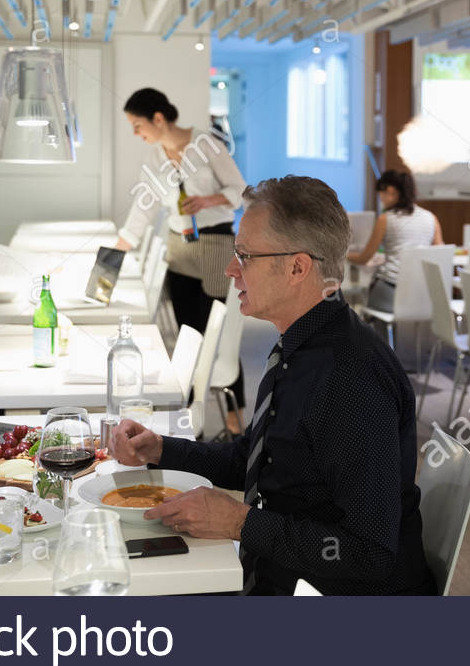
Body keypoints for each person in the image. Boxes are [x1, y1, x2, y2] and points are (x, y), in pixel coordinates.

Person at [110, 176, 436, 595]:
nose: (230, 270)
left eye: (244, 257)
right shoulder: (300, 343)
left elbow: (369, 553)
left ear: (298, 267)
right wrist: (161, 449)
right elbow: (258, 458)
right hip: (281, 571)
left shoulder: (352, 379)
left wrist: (239, 522)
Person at [113, 87, 248, 433]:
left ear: (158, 118)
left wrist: (208, 200)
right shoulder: (156, 158)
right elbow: (142, 210)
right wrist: (115, 254)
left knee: (215, 333)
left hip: (216, 243)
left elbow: (241, 191)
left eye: (137, 124)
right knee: (189, 334)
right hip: (179, 248)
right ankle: (193, 422)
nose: (136, 133)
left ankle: (236, 421)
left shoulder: (207, 145)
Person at [346, 169, 443, 313]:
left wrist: (343, 255)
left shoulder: (386, 219)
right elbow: (440, 255)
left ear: (390, 191)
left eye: (381, 194)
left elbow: (364, 258)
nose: (380, 199)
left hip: (392, 292)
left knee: (359, 302)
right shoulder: (431, 218)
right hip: (423, 295)